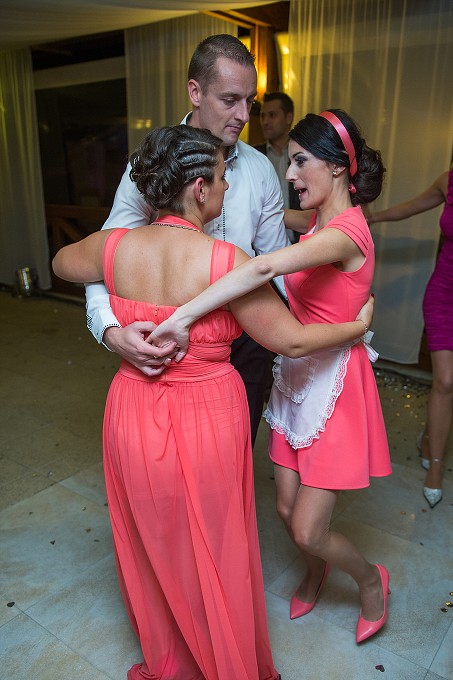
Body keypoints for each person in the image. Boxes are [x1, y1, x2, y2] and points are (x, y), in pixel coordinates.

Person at [52, 125, 373, 679]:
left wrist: (112, 330)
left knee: (152, 538)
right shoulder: (224, 259)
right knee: (215, 544)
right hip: (205, 415)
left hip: (131, 410)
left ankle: (172, 655)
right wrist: (355, 328)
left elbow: (61, 262)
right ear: (199, 189)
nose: (225, 189)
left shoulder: (114, 246)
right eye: (222, 179)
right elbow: (292, 341)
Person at [148, 109, 393, 644]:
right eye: (289, 162)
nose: (290, 173)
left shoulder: (347, 232)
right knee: (284, 507)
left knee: (308, 527)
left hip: (335, 386)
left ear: (336, 166)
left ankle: (372, 580)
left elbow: (262, 266)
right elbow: (276, 219)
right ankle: (315, 569)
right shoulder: (318, 220)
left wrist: (183, 315)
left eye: (300, 162)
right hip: (295, 375)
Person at [85, 34, 292, 447]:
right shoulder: (152, 164)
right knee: (169, 458)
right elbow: (101, 258)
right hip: (168, 341)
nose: (243, 115)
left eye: (249, 101)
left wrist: (296, 337)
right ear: (195, 92)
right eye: (230, 100)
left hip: (246, 338)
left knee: (235, 451)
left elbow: (277, 261)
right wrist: (108, 330)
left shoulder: (261, 169)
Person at [368, 165, 453, 508]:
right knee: (445, 380)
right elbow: (412, 207)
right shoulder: (448, 180)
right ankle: (436, 464)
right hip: (444, 293)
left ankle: (430, 437)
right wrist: (374, 218)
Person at [255, 92, 311, 242]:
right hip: (264, 245)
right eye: (262, 116)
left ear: (288, 118)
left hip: (303, 242)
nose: (265, 122)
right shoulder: (254, 156)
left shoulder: (306, 155)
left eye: (272, 115)